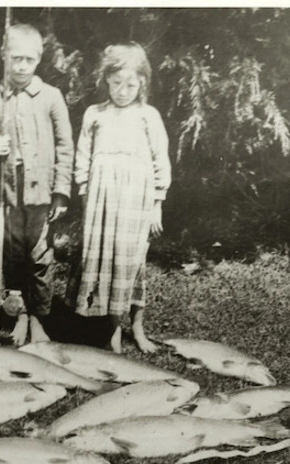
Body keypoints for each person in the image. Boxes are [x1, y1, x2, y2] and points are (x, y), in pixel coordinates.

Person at [0, 23, 74, 346]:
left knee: (41, 258)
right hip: (7, 196)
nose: (20, 67)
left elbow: (65, 147)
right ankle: (21, 316)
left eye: (28, 60)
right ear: (3, 55)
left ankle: (40, 320)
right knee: (12, 258)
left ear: (39, 60)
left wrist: (60, 193)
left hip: (41, 196)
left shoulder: (52, 98)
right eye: (15, 58)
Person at [70, 43, 171, 353]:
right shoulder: (95, 114)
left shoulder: (148, 116)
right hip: (102, 202)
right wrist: (86, 195)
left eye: (131, 84)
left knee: (132, 261)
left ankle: (138, 327)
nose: (123, 91)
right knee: (106, 262)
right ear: (106, 81)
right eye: (116, 84)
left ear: (142, 81)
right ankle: (111, 329)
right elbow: (82, 158)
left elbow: (160, 160)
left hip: (135, 202)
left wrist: (157, 204)